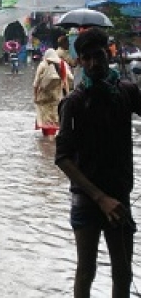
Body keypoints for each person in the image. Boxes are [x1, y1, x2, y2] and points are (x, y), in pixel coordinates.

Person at [55, 27, 141, 297]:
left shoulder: (126, 92)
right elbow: (63, 158)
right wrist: (100, 198)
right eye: (86, 58)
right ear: (79, 61)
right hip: (87, 197)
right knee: (86, 271)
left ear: (109, 54)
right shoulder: (74, 102)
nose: (93, 63)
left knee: (123, 271)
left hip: (119, 194)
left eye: (98, 56)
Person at [32, 48, 72, 137]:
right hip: (57, 96)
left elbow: (35, 83)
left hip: (43, 96)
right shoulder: (63, 64)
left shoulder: (43, 65)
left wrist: (35, 97)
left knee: (45, 119)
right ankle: (51, 141)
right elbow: (70, 78)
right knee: (54, 118)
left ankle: (47, 141)